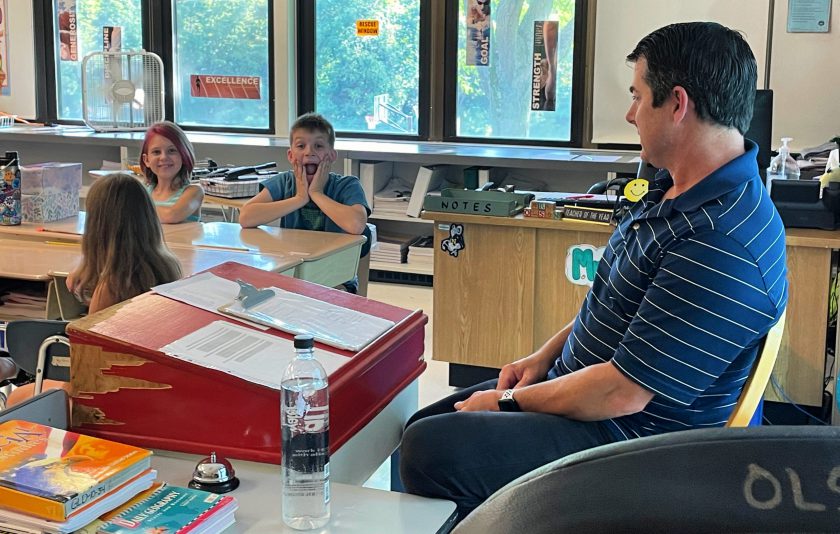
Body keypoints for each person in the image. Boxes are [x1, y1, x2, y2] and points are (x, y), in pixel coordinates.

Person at [399, 21, 788, 523]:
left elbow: (621, 392)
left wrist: (512, 402)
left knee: (430, 450)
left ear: (677, 104)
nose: (629, 115)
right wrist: (543, 357)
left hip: (633, 449)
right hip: (597, 405)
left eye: (637, 97)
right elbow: (612, 297)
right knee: (426, 424)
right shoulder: (678, 190)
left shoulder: (719, 237)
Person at [4, 174, 182, 408]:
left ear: (97, 225)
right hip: (148, 381)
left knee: (18, 397)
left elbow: (84, 365)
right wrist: (87, 267)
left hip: (103, 393)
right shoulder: (167, 267)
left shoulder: (112, 288)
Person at [238, 112, 370, 292]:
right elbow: (246, 217)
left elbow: (356, 225)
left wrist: (316, 193)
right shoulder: (284, 182)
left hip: (336, 277)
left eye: (318, 145)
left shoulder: (346, 185)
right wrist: (299, 199)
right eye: (301, 146)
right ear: (291, 155)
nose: (309, 152)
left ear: (331, 155)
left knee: (325, 298)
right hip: (292, 272)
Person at [140, 121, 204, 224]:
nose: (164, 157)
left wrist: (135, 209)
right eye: (156, 152)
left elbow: (171, 215)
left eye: (172, 151)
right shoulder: (143, 191)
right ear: (146, 160)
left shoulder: (194, 192)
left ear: (184, 156)